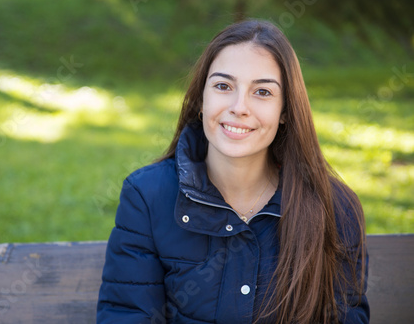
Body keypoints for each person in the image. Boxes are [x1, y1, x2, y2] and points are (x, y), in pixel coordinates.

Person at [97, 19, 369, 324]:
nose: (239, 107)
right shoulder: (147, 196)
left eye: (263, 92)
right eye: (223, 86)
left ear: (285, 112)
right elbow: (128, 315)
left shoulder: (335, 207)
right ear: (201, 99)